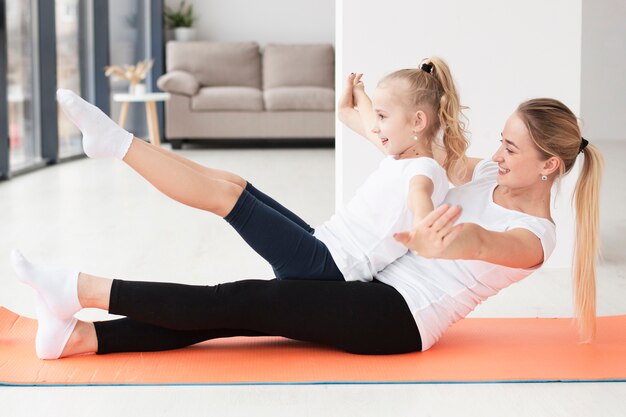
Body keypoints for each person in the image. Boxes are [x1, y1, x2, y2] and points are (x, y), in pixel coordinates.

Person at [10, 98, 602, 359]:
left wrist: (436, 239)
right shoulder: (484, 174)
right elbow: (419, 149)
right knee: (240, 304)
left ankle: (82, 292)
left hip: (399, 317)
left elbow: (480, 243)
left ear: (549, 166)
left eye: (511, 146)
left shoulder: (535, 239)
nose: (497, 152)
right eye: (499, 139)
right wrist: (359, 111)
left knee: (243, 301)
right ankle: (81, 338)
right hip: (365, 277)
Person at [55, 57, 468, 283]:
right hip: (321, 242)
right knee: (237, 184)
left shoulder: (424, 170)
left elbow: (419, 197)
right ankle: (131, 141)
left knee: (227, 200)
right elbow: (357, 116)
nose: (374, 127)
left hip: (326, 268)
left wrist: (422, 227)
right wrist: (360, 96)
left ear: (416, 123)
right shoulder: (399, 152)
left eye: (382, 117)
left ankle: (117, 145)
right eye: (375, 117)